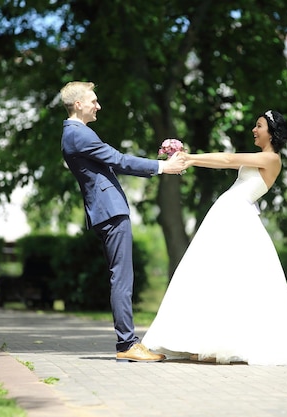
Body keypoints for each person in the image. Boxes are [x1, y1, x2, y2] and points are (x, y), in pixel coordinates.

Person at [142, 110, 287, 366]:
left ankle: (218, 344)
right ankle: (204, 341)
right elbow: (225, 160)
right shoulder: (261, 156)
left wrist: (190, 158)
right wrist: (191, 160)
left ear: (272, 131)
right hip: (227, 215)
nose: (254, 130)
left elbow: (227, 159)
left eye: (259, 126)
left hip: (237, 218)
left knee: (231, 276)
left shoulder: (271, 159)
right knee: (213, 275)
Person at [60, 81, 186, 362]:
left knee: (121, 277)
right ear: (78, 104)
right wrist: (163, 166)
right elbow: (118, 160)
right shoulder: (78, 134)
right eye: (94, 100)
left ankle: (127, 343)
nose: (98, 105)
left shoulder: (76, 133)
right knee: (122, 278)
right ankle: (127, 344)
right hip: (110, 212)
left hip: (108, 210)